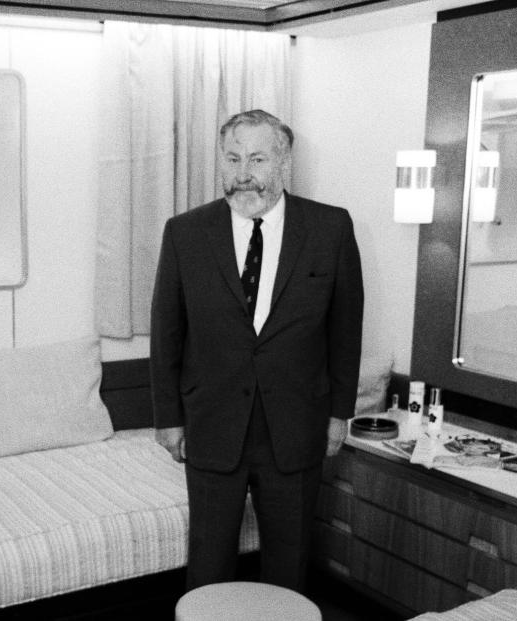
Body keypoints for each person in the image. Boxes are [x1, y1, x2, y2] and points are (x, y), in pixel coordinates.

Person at [149, 109, 363, 593]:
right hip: (213, 423)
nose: (243, 173)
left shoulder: (330, 229)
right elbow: (166, 333)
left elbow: (346, 331)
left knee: (289, 563)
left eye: (258, 158)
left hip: (295, 425)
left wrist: (339, 414)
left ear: (283, 161)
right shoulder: (185, 233)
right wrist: (168, 418)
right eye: (232, 158)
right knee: (208, 561)